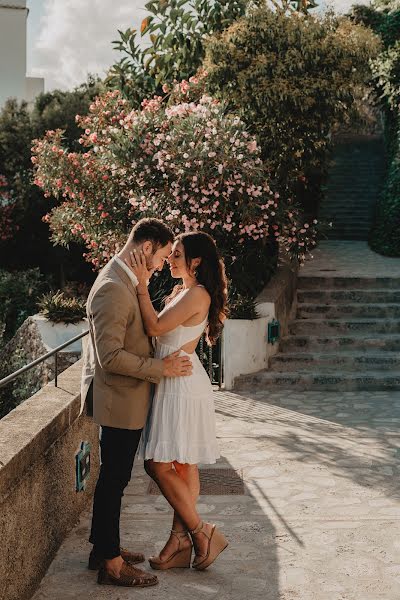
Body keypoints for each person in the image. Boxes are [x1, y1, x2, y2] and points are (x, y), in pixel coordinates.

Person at [81, 218, 193, 588]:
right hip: (119, 399)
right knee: (114, 479)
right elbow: (109, 356)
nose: (162, 264)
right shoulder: (113, 288)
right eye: (161, 256)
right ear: (146, 248)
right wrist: (159, 368)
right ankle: (111, 565)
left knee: (114, 478)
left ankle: (103, 548)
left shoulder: (125, 280)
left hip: (124, 397)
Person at [127, 231, 229, 571]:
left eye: (178, 254)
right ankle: (180, 542)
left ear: (195, 261)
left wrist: (141, 285)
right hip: (175, 380)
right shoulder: (183, 291)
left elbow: (155, 328)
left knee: (158, 464)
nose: (170, 258)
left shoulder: (196, 294)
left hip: (182, 386)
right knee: (182, 466)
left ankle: (200, 532)